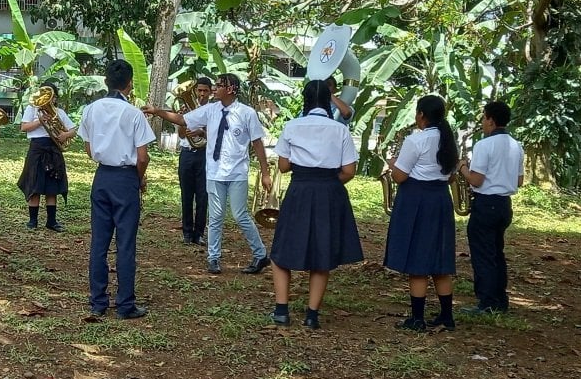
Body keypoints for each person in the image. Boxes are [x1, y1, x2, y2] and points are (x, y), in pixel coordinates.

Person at [143, 73, 273, 275]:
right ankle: (213, 258)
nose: (214, 89)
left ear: (231, 89)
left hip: (237, 172)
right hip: (214, 171)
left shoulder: (247, 113)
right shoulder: (210, 110)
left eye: (219, 85)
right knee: (216, 216)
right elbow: (183, 119)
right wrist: (157, 111)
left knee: (241, 215)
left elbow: (257, 143)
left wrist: (265, 173)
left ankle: (260, 254)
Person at [269, 80, 362, 330]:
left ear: (306, 100)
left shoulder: (292, 126)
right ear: (328, 100)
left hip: (300, 189)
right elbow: (349, 171)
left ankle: (281, 310)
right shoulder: (340, 130)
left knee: (281, 251)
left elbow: (284, 166)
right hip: (330, 191)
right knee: (323, 253)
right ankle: (311, 315)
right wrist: (329, 183)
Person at [80, 60, 155, 319]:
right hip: (125, 179)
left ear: (105, 81)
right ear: (130, 83)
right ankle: (125, 304)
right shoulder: (134, 113)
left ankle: (98, 302)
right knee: (125, 244)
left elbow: (89, 149)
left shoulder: (91, 109)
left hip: (102, 177)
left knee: (99, 242)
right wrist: (139, 178)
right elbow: (142, 156)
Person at [384, 95, 458, 332]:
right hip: (440, 199)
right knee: (439, 259)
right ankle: (447, 316)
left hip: (417, 199)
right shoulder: (448, 140)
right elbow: (451, 174)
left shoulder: (416, 140)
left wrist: (393, 162)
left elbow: (399, 176)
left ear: (422, 115)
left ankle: (417, 318)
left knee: (418, 260)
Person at [459, 101, 524, 315]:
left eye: (484, 118)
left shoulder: (484, 145)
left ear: (491, 120)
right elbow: (520, 180)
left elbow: (476, 180)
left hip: (486, 204)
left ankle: (486, 302)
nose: (483, 122)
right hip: (505, 205)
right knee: (497, 252)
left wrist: (463, 168)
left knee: (483, 254)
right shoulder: (516, 145)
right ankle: (500, 300)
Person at [17, 82, 77, 232]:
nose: (49, 99)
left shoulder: (59, 112)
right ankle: (33, 221)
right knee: (34, 184)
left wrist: (64, 135)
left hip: (53, 148)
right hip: (37, 148)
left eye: (51, 96)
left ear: (55, 98)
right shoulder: (32, 109)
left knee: (52, 186)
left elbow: (74, 130)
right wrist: (40, 121)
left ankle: (51, 221)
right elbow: (23, 127)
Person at [177, 77, 211, 245]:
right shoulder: (188, 109)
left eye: (205, 91)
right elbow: (182, 135)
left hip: (204, 154)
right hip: (187, 153)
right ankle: (187, 232)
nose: (202, 94)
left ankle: (199, 233)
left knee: (203, 195)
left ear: (211, 92)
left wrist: (201, 131)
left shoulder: (213, 111)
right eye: (199, 90)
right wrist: (183, 119)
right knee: (186, 194)